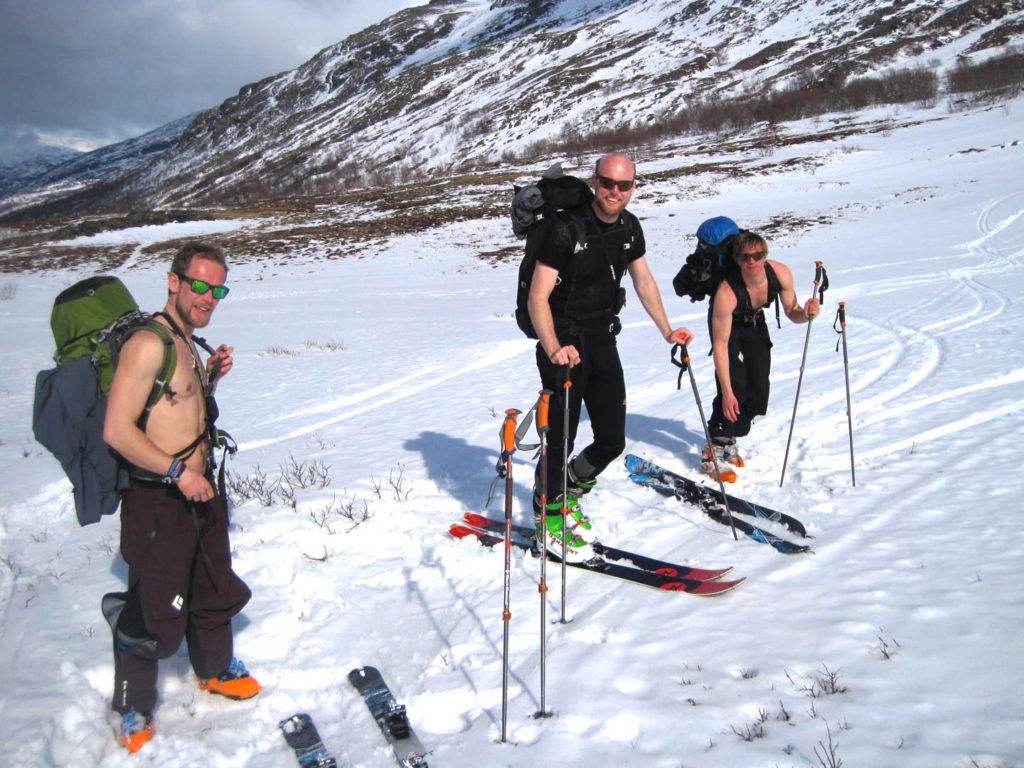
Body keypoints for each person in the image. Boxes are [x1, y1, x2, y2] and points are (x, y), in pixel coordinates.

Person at [102, 243, 259, 753]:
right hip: (158, 500)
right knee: (153, 608)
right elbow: (117, 431)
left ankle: (214, 669)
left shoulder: (187, 340)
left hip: (200, 488)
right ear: (174, 281)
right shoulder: (148, 343)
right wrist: (176, 472)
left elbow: (178, 408)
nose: (208, 297)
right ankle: (132, 703)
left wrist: (209, 378)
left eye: (218, 289)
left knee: (214, 586)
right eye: (200, 285)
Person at [528, 152, 693, 558]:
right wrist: (553, 348)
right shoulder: (566, 230)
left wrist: (667, 330)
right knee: (559, 440)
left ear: (633, 187)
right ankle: (545, 516)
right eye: (606, 183)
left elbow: (645, 282)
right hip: (564, 343)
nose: (614, 192)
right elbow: (537, 298)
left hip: (603, 339)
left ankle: (566, 491)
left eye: (623, 185)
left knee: (611, 440)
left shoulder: (629, 228)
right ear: (595, 181)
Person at [705, 231, 819, 481]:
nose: (752, 261)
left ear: (765, 256)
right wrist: (726, 392)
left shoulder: (779, 274)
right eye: (746, 257)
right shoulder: (726, 293)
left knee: (758, 391)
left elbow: (792, 311)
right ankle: (715, 445)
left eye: (758, 255)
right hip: (727, 327)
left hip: (755, 321)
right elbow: (721, 346)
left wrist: (807, 313)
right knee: (735, 387)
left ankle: (731, 434)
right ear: (738, 260)